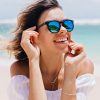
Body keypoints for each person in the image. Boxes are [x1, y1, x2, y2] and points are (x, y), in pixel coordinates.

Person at [7, 0, 95, 100]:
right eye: (53, 25)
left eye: (66, 24)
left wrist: (70, 69)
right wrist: (33, 61)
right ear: (33, 35)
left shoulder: (82, 67)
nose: (64, 29)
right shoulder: (21, 70)